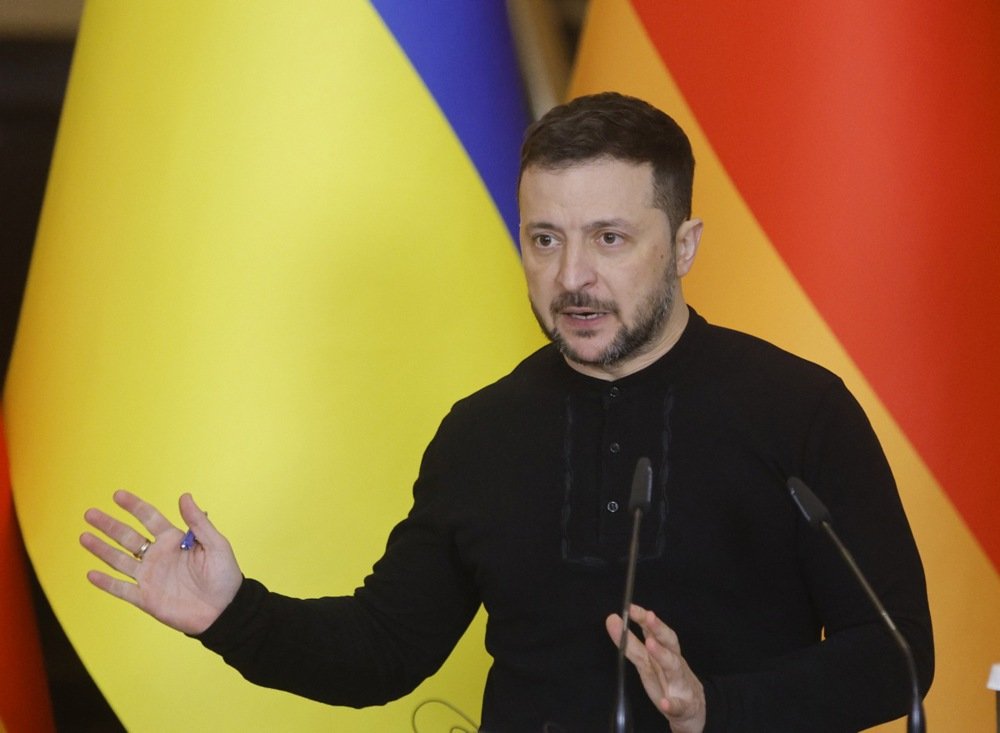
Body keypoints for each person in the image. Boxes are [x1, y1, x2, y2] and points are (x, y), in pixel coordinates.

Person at [81, 92, 933, 732]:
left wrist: (717, 707)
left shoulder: (800, 409)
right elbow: (385, 650)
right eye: (544, 239)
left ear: (683, 245)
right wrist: (234, 614)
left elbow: (896, 657)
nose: (571, 278)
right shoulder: (483, 432)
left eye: (609, 237)